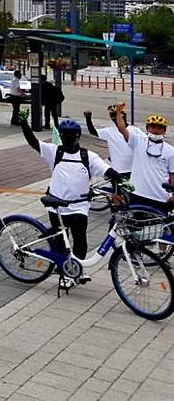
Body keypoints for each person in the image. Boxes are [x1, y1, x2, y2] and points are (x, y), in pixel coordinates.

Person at [21, 117, 121, 289]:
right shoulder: (55, 152)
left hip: (79, 207)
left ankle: (76, 269)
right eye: (64, 134)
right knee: (60, 242)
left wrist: (119, 181)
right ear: (61, 135)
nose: (68, 138)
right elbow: (33, 142)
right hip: (56, 206)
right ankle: (64, 274)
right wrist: (24, 124)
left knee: (80, 241)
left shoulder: (88, 156)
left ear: (78, 136)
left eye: (71, 135)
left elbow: (108, 171)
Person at [116, 114, 174, 214]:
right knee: (134, 226)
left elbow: (172, 175)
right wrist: (118, 112)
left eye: (159, 128)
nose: (156, 130)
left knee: (158, 228)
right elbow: (122, 129)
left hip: (159, 197)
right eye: (153, 127)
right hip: (137, 194)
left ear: (164, 131)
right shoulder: (138, 141)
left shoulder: (171, 151)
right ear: (147, 129)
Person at [84, 103, 144, 178]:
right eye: (113, 117)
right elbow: (93, 132)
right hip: (118, 170)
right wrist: (88, 119)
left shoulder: (135, 130)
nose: (116, 119)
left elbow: (145, 143)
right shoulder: (108, 131)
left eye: (117, 116)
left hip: (135, 170)